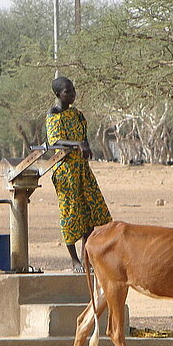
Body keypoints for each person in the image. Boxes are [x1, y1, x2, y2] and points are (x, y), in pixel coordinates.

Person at [46, 76, 112, 272]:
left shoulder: (78, 114)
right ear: (58, 94)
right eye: (68, 91)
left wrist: (86, 146)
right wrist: (77, 144)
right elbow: (54, 141)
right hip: (65, 171)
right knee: (70, 213)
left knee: (90, 211)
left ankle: (86, 257)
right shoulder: (53, 114)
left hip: (82, 169)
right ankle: (74, 259)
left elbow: (83, 137)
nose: (72, 94)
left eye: (73, 90)